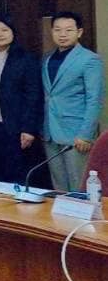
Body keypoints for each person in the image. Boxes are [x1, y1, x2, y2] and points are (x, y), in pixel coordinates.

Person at [41, 11, 105, 191]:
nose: (62, 34)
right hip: (50, 131)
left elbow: (94, 99)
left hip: (76, 133)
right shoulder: (47, 58)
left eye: (68, 30)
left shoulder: (89, 59)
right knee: (59, 186)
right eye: (57, 30)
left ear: (79, 32)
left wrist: (86, 134)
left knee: (78, 186)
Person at [0, 15, 43, 184]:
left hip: (14, 126)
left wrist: (28, 128)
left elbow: (33, 96)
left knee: (14, 172)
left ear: (13, 32)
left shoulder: (26, 59)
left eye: (4, 30)